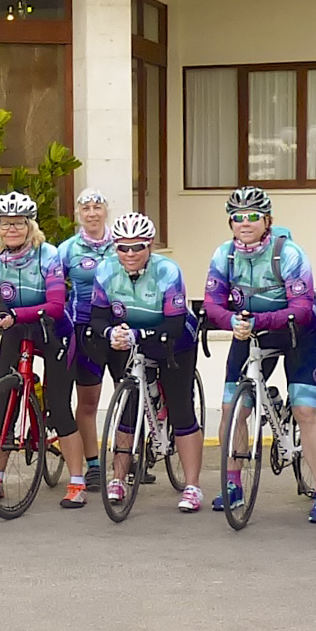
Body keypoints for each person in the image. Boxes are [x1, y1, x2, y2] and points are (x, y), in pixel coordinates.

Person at [202, 186, 316, 521]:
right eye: (237, 217)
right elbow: (211, 303)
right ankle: (232, 483)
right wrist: (230, 320)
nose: (244, 223)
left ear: (267, 220)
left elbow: (302, 308)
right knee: (232, 407)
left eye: (252, 217)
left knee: (305, 408)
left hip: (300, 331)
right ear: (230, 222)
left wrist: (256, 320)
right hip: (249, 327)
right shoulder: (224, 255)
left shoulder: (289, 254)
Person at [0, 191, 88, 507]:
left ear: (30, 226)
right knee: (4, 402)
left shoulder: (48, 254)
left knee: (60, 405)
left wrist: (14, 315)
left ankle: (77, 482)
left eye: (18, 223)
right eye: (6, 223)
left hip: (53, 330)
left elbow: (55, 305)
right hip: (16, 327)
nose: (12, 229)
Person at [91, 213, 207, 512]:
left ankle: (192, 486)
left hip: (174, 339)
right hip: (132, 337)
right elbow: (99, 316)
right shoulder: (105, 271)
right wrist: (109, 332)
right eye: (123, 248)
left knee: (181, 410)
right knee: (128, 408)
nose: (130, 254)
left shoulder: (168, 271)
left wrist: (137, 334)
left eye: (137, 247)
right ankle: (118, 478)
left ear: (150, 246)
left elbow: (174, 324)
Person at [58, 189, 132, 488]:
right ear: (78, 213)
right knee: (88, 402)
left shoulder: (121, 244)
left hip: (124, 328)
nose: (91, 213)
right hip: (86, 330)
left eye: (97, 207)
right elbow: (53, 285)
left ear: (106, 211)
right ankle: (93, 465)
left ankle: (126, 458)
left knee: (128, 396)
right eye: (85, 207)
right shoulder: (68, 249)